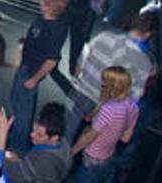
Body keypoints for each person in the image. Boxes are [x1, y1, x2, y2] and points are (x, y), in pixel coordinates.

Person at [67, 67, 138, 183]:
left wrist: (71, 151)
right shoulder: (132, 105)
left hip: (93, 160)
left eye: (105, 81)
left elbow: (89, 137)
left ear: (114, 86)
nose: (102, 84)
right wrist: (109, 128)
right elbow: (126, 138)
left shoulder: (109, 109)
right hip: (108, 156)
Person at [66, 11, 157, 143]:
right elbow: (135, 95)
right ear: (148, 34)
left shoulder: (104, 36)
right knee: (89, 145)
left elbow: (81, 61)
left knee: (64, 138)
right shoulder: (144, 62)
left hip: (80, 92)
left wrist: (77, 80)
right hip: (104, 106)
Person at [8, 0, 68, 153]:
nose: (41, 1)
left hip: (31, 72)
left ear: (50, 7)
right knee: (16, 104)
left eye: (45, 1)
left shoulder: (54, 29)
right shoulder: (42, 19)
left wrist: (34, 79)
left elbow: (52, 60)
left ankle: (18, 148)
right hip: (25, 66)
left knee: (23, 112)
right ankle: (10, 134)